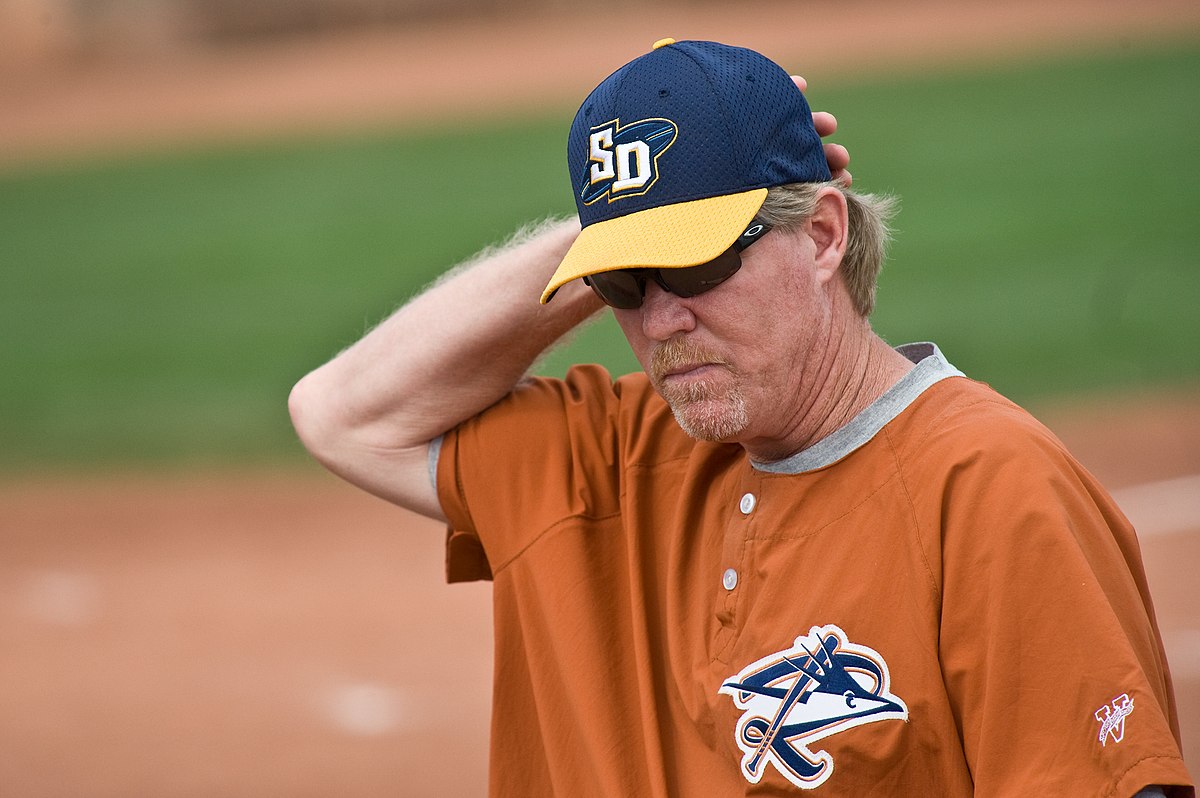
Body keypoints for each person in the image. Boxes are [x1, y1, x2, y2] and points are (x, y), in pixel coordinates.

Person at [289, 39, 1193, 796]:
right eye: (622, 284)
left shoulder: (989, 490)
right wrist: (612, 221)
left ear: (825, 234)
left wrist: (636, 221)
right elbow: (343, 416)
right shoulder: (608, 461)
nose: (662, 321)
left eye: (695, 266)